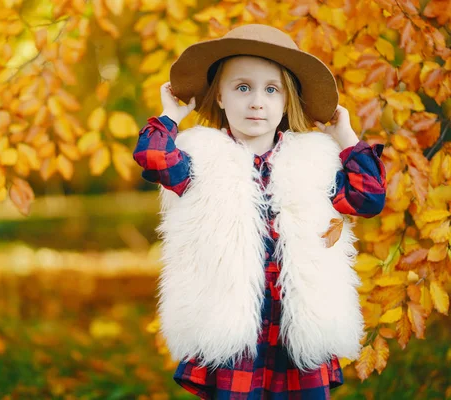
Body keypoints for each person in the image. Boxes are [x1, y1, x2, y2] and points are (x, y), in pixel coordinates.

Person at [132, 24, 387, 399]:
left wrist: (345, 138)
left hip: (298, 329)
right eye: (242, 88)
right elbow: (154, 159)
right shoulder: (201, 158)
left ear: (286, 101)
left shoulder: (312, 162)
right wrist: (171, 115)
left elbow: (369, 198)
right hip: (234, 331)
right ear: (219, 97)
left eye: (271, 90)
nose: (256, 102)